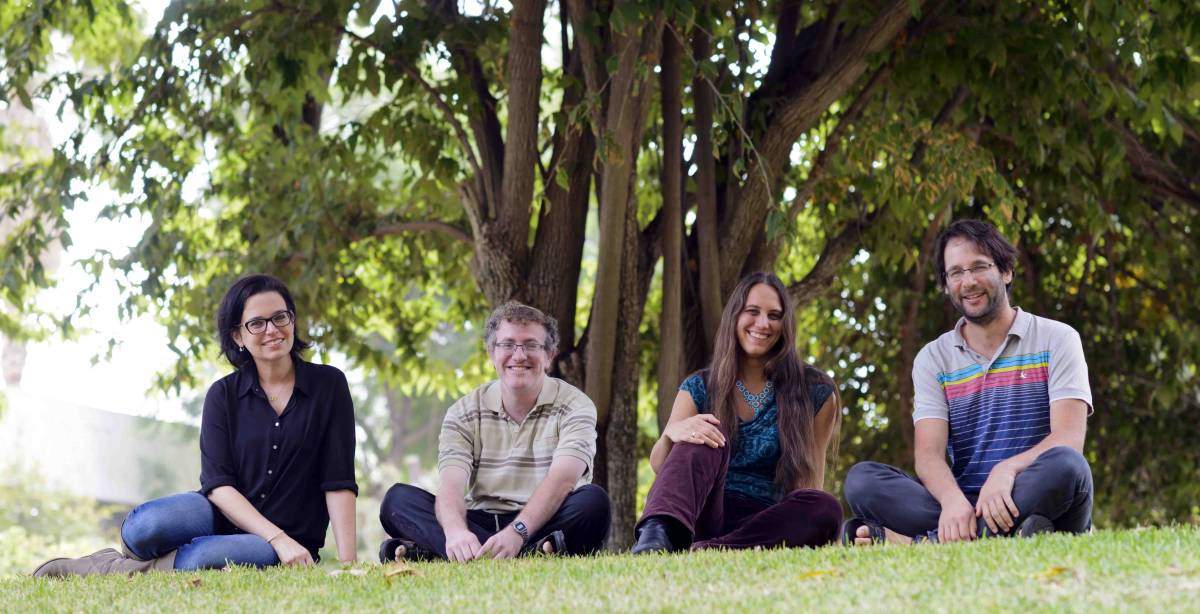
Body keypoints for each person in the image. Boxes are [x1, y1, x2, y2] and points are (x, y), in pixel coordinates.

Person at [33, 274, 358, 576]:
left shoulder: (329, 386)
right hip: (222, 514)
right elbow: (218, 485)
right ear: (238, 336)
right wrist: (274, 535)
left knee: (202, 558)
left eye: (279, 317)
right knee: (145, 526)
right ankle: (127, 560)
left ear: (292, 320)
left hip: (289, 538)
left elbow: (338, 480)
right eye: (256, 323)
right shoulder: (223, 395)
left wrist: (348, 564)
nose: (272, 330)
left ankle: (110, 570)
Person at [843, 219, 1093, 545]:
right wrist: (951, 501)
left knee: (1068, 466)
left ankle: (922, 544)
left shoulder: (1057, 339)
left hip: (1030, 488)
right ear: (946, 285)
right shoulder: (933, 359)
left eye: (979, 267)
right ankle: (1009, 535)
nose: (968, 281)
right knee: (861, 481)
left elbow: (1069, 438)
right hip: (965, 506)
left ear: (1006, 272)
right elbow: (929, 456)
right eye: (956, 272)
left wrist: (1006, 471)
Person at [378, 301, 610, 562]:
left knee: (593, 503)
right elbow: (451, 485)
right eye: (507, 344)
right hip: (482, 517)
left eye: (531, 345)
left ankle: (442, 553)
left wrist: (517, 533)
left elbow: (563, 480)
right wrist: (455, 532)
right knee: (397, 501)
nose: (519, 355)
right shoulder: (463, 412)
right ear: (491, 352)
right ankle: (523, 553)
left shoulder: (575, 405)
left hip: (544, 518)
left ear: (549, 355)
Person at [631, 272, 843, 553]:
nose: (763, 324)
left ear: (786, 324)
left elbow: (808, 483)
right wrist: (673, 433)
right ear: (734, 317)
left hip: (769, 523)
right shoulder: (700, 386)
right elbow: (662, 466)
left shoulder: (815, 391)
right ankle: (654, 540)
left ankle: (718, 549)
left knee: (825, 506)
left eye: (775, 315)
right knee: (707, 434)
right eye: (752, 311)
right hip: (705, 513)